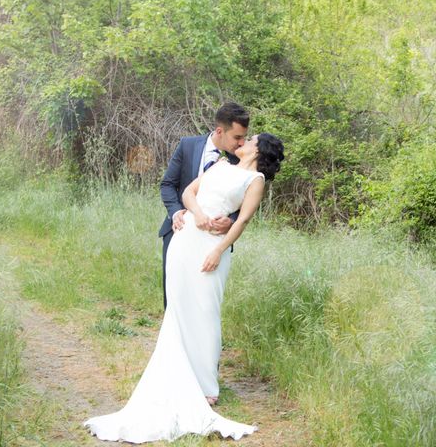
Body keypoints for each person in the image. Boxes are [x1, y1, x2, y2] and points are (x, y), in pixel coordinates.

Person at [84, 133, 285, 444]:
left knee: (206, 309)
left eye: (252, 138)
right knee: (179, 309)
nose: (245, 139)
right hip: (187, 237)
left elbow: (243, 220)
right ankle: (181, 376)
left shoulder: (255, 179)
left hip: (212, 247)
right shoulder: (219, 164)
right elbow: (190, 192)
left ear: (259, 150)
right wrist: (199, 216)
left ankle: (206, 387)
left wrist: (219, 250)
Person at [158, 102, 250, 310]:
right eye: (237, 137)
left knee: (204, 302)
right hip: (178, 232)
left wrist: (232, 221)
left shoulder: (242, 161)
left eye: (244, 137)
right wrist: (175, 213)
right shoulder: (188, 145)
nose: (242, 143)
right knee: (174, 297)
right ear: (220, 131)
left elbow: (245, 204)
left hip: (213, 241)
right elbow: (168, 184)